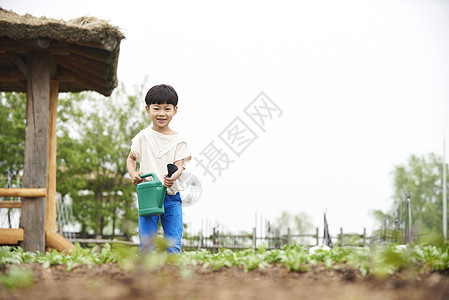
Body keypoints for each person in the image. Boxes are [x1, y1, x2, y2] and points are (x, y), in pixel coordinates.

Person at [127, 84, 191, 254]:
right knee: (147, 243)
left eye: (167, 109)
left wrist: (173, 177)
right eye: (156, 108)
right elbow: (131, 158)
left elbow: (179, 166)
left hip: (171, 197)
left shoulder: (179, 141)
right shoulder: (143, 137)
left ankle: (171, 274)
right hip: (148, 195)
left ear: (175, 110)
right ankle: (148, 276)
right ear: (147, 109)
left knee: (173, 242)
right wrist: (133, 173)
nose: (161, 113)